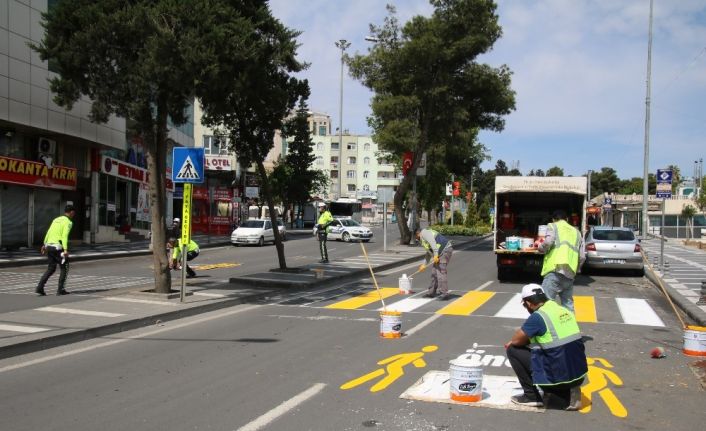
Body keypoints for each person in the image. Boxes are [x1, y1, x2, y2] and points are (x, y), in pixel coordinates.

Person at [505, 284, 587, 410]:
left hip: (559, 377)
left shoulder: (538, 316)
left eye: (524, 305)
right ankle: (568, 391)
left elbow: (516, 340)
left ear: (528, 303)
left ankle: (531, 396)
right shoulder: (563, 310)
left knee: (513, 350)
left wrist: (517, 342)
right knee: (551, 350)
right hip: (579, 375)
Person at [536, 209, 585, 313]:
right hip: (570, 274)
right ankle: (571, 328)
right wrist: (576, 270)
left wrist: (540, 247)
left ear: (554, 219)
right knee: (568, 306)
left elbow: (548, 242)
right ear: (566, 219)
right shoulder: (577, 232)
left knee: (546, 304)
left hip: (555, 269)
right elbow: (582, 257)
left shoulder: (553, 226)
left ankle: (548, 328)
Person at [36, 204, 76, 296]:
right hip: (58, 247)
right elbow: (64, 236)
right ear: (71, 212)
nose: (74, 215)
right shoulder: (68, 222)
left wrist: (44, 244)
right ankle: (60, 289)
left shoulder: (56, 219)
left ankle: (40, 287)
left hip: (49, 246)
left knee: (51, 268)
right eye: (73, 213)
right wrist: (65, 249)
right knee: (64, 267)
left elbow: (49, 232)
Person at [416, 227, 453, 300]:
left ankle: (444, 293)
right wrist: (424, 264)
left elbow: (433, 243)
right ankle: (431, 292)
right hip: (441, 252)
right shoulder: (423, 239)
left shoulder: (424, 233)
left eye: (416, 237)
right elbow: (429, 252)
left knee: (440, 272)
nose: (416, 239)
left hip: (445, 250)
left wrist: (435, 255)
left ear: (417, 233)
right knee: (434, 273)